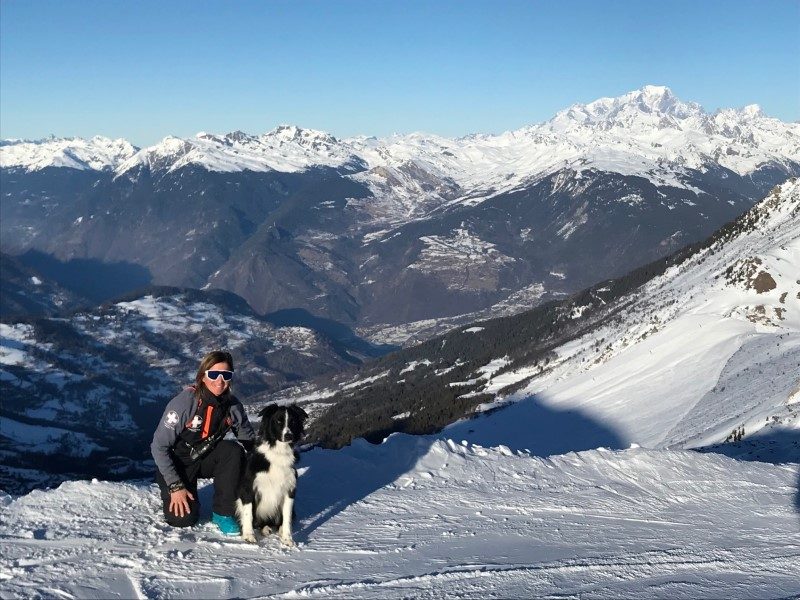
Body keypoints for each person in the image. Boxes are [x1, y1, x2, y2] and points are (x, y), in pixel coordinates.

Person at [151, 350, 255, 535]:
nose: (220, 380)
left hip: (203, 457)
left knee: (232, 451)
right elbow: (158, 447)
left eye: (226, 375)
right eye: (214, 374)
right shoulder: (186, 402)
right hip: (177, 463)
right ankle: (174, 491)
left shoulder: (232, 406)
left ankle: (222, 513)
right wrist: (175, 486)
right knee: (183, 520)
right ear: (203, 376)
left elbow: (248, 440)